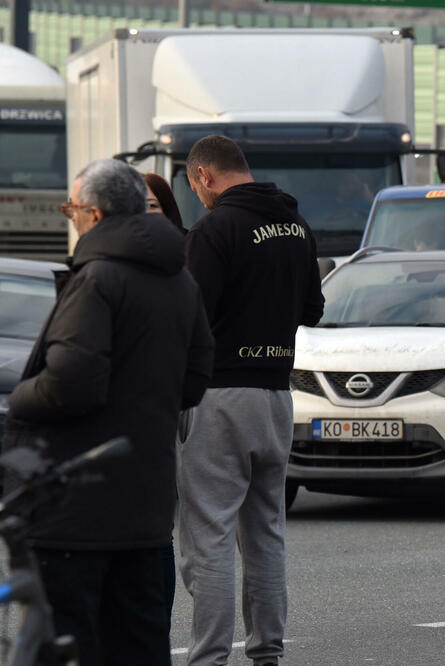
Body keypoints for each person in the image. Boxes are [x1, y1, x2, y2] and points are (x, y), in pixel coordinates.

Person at [1, 158, 213, 666]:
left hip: (78, 503)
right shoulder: (179, 280)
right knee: (137, 646)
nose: (70, 217)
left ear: (94, 214)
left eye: (73, 207)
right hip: (144, 504)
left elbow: (71, 383)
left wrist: (21, 398)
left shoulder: (98, 279)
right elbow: (195, 380)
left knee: (68, 646)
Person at [177, 135, 324, 666]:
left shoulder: (214, 229)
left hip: (218, 394)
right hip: (276, 396)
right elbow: (313, 308)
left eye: (196, 187)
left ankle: (210, 657)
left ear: (204, 177)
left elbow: (189, 316)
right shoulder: (295, 225)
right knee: (265, 533)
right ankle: (267, 654)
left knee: (209, 536)